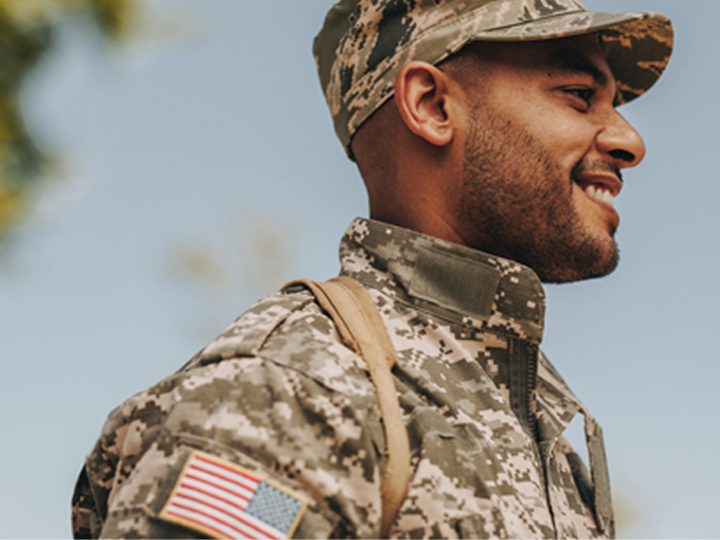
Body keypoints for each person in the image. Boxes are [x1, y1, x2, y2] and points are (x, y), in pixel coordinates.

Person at [71, 0, 673, 538]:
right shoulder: (294, 393)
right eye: (578, 94)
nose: (629, 140)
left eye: (615, 104)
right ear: (432, 105)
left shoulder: (542, 431)